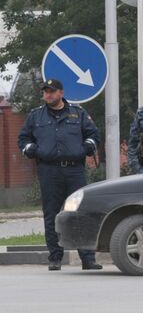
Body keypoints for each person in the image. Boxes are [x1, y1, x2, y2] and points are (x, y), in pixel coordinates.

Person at [17, 78, 102, 271]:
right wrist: (29, 148)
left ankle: (88, 258)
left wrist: (88, 146)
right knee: (52, 214)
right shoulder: (36, 116)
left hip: (74, 170)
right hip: (49, 171)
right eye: (45, 91)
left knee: (81, 213)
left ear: (61, 93)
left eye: (52, 91)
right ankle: (55, 257)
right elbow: (23, 138)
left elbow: (93, 135)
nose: (48, 94)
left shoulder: (77, 114)